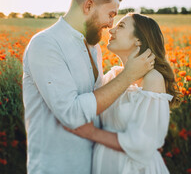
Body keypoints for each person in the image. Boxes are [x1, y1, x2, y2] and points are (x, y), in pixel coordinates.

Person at [22, 0, 155, 174]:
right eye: (110, 14)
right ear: (89, 6)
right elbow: (72, 115)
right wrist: (127, 75)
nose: (111, 24)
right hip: (55, 168)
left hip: (91, 166)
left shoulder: (93, 48)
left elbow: (98, 107)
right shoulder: (46, 44)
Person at [64, 13, 181, 174]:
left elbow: (144, 143)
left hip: (134, 168)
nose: (111, 31)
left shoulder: (152, 78)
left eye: (121, 26)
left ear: (138, 40)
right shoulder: (112, 76)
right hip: (105, 164)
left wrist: (92, 133)